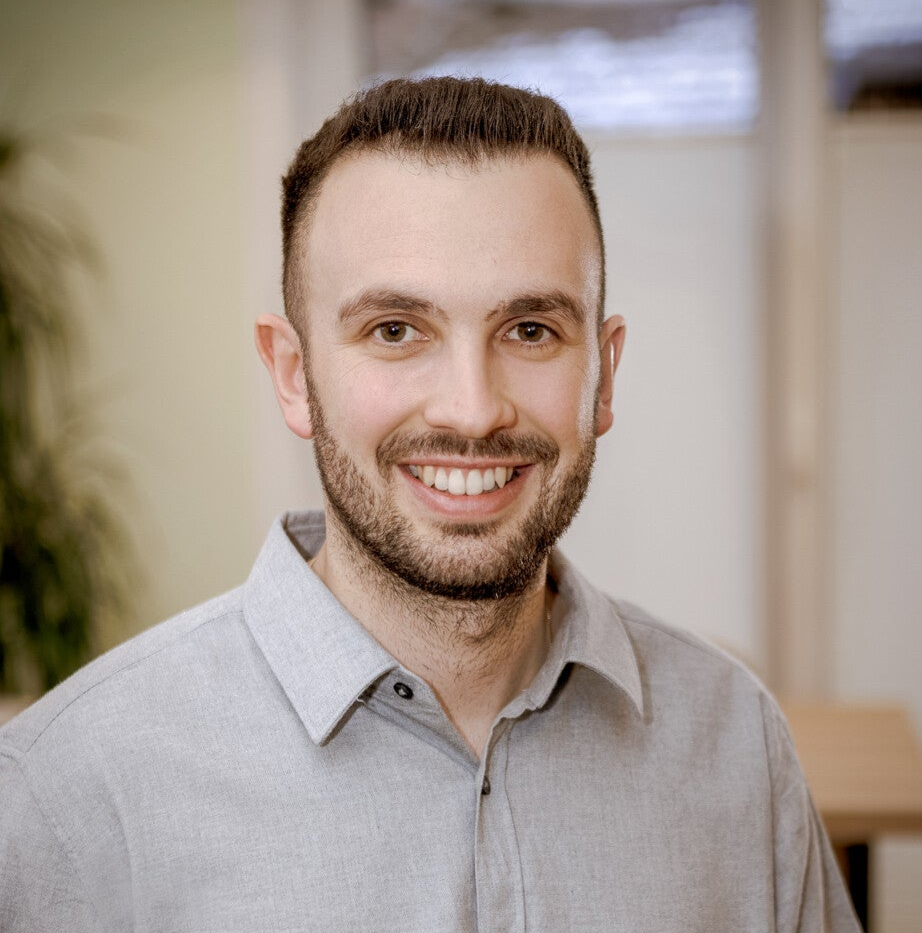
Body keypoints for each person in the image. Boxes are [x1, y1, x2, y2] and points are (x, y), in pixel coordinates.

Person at [0, 77, 859, 931]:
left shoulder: (737, 745)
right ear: (293, 375)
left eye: (530, 330)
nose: (471, 410)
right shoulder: (69, 795)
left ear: (603, 374)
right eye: (395, 330)